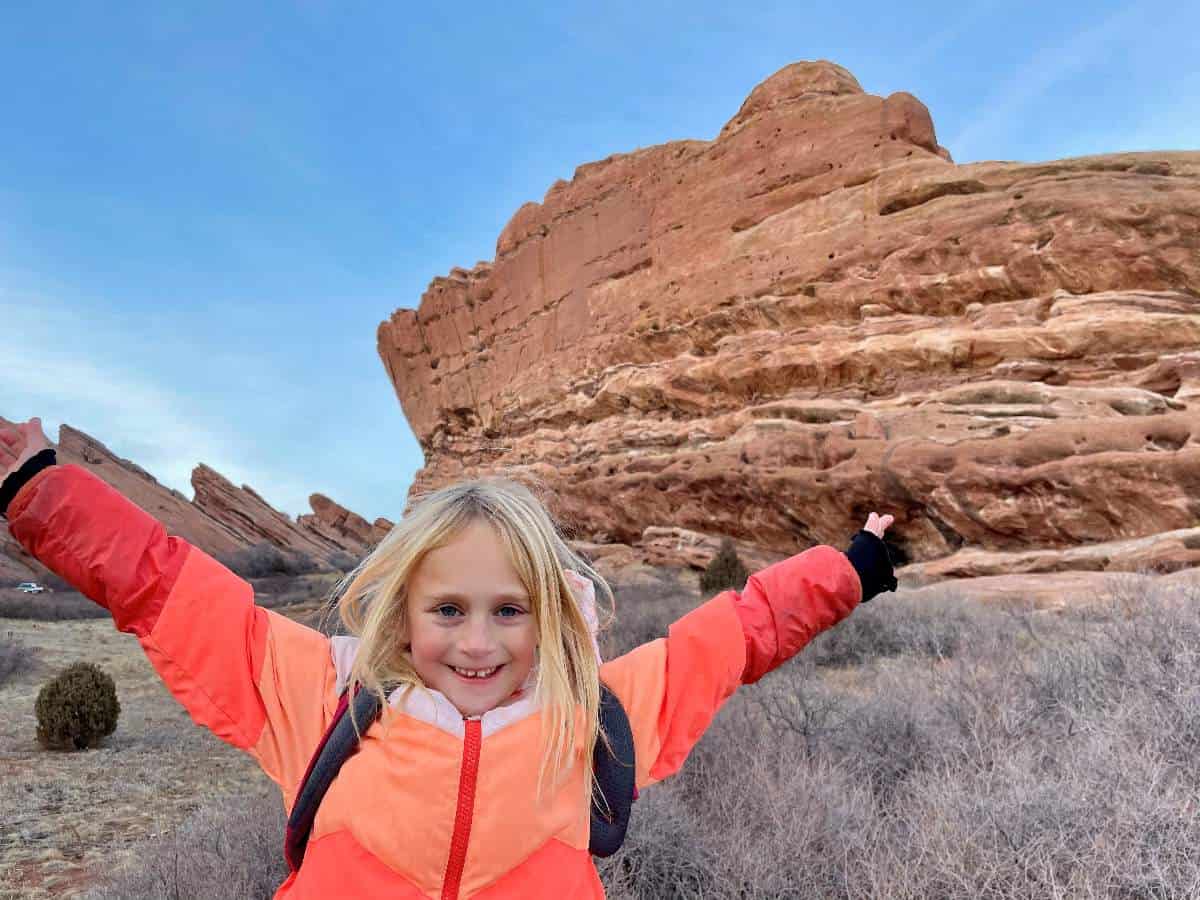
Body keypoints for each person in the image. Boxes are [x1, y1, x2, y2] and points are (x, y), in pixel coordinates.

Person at [0, 416, 897, 899]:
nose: (477, 643)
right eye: (447, 610)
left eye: (510, 610)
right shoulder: (324, 699)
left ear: (550, 617)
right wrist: (41, 492)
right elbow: (167, 588)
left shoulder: (594, 717)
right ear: (402, 613)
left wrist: (848, 570)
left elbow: (732, 636)